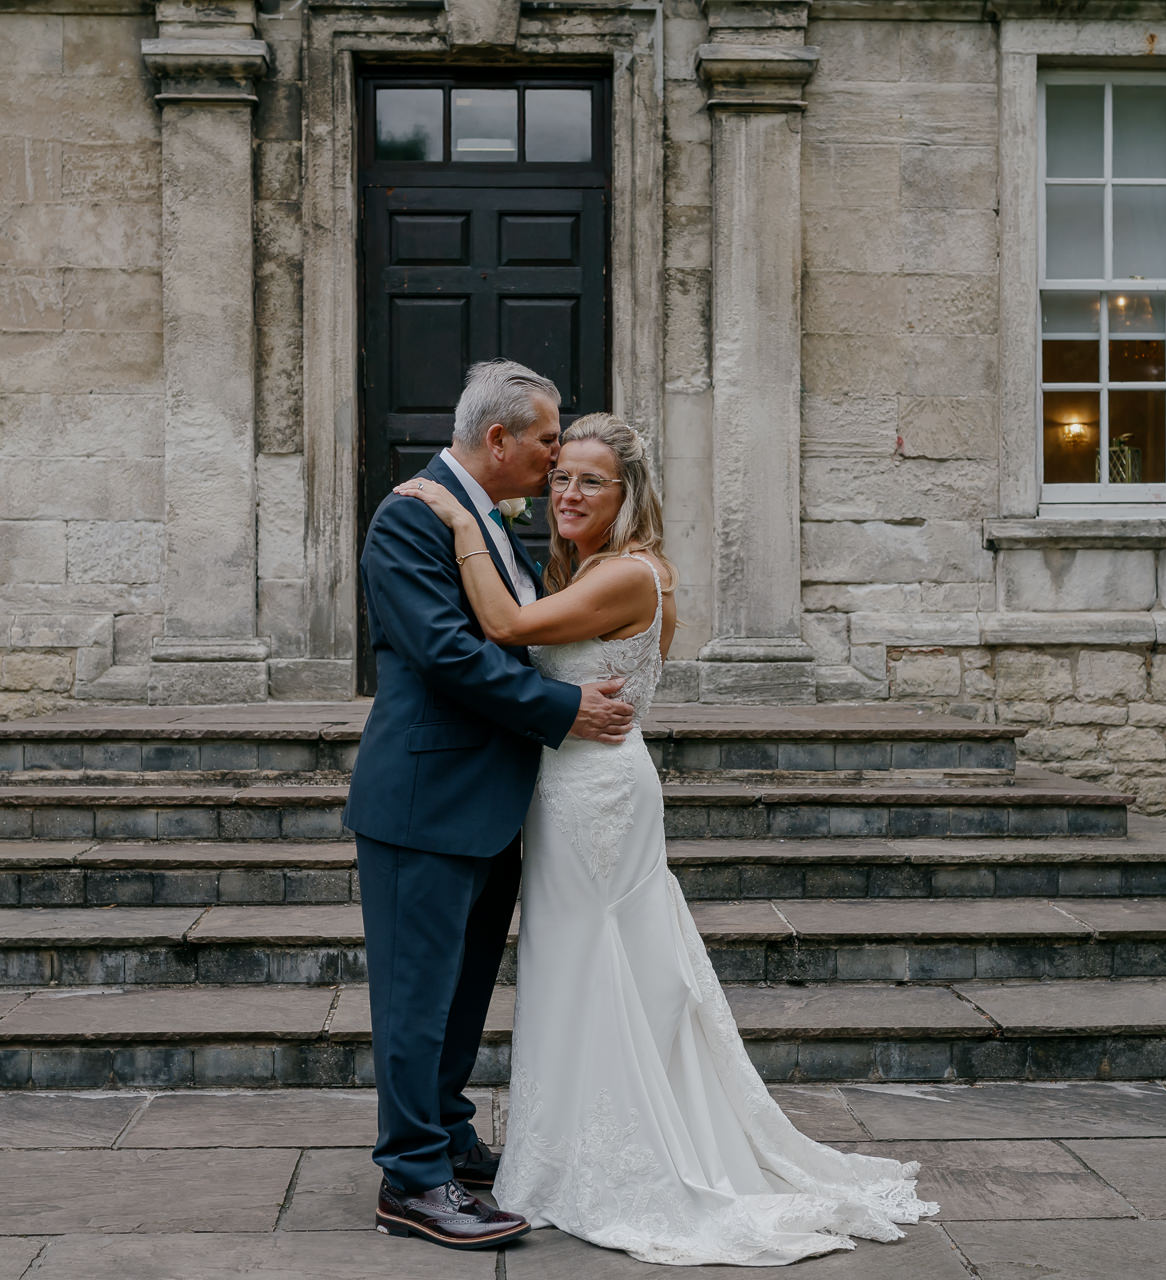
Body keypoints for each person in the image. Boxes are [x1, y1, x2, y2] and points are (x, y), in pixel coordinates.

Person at [391, 411, 940, 1266]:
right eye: (561, 475)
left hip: (595, 797)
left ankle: (619, 1156)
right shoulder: (585, 568)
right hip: (567, 789)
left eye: (590, 481)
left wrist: (464, 520)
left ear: (629, 493)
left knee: (597, 964)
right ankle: (573, 1145)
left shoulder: (628, 574)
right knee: (579, 968)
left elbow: (504, 629)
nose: (567, 492)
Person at [344, 360, 637, 1251]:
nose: (556, 457)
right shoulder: (410, 517)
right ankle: (411, 1179)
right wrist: (563, 708)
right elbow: (444, 653)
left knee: (463, 991)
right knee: (415, 997)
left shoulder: (486, 520)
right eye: (548, 440)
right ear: (500, 439)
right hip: (424, 799)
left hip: (488, 801)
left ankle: (445, 1131)